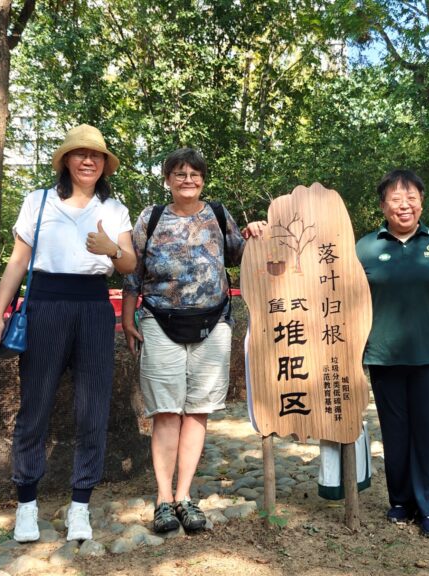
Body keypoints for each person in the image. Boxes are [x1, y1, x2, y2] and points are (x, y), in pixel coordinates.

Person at [0, 124, 137, 543]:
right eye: (80, 154)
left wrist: (113, 250)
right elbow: (17, 264)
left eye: (97, 156)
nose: (88, 161)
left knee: (93, 407)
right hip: (45, 302)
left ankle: (81, 505)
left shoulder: (115, 208)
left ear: (105, 165)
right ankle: (27, 505)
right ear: (66, 161)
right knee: (35, 404)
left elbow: (128, 265)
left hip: (92, 306)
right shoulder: (39, 201)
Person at [121, 148, 265, 534]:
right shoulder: (150, 218)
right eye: (179, 173)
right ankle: (163, 500)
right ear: (167, 179)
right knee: (166, 411)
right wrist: (127, 315)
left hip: (214, 322)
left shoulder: (218, 215)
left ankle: (184, 496)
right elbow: (132, 270)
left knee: (198, 410)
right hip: (158, 319)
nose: (188, 179)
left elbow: (240, 254)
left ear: (203, 178)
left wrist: (256, 232)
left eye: (195, 173)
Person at [356, 169, 429, 538]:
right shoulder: (365, 247)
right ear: (383, 205)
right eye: (395, 199)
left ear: (422, 202)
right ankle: (401, 501)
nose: (404, 205)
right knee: (395, 432)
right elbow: (344, 298)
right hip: (383, 353)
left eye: (411, 198)